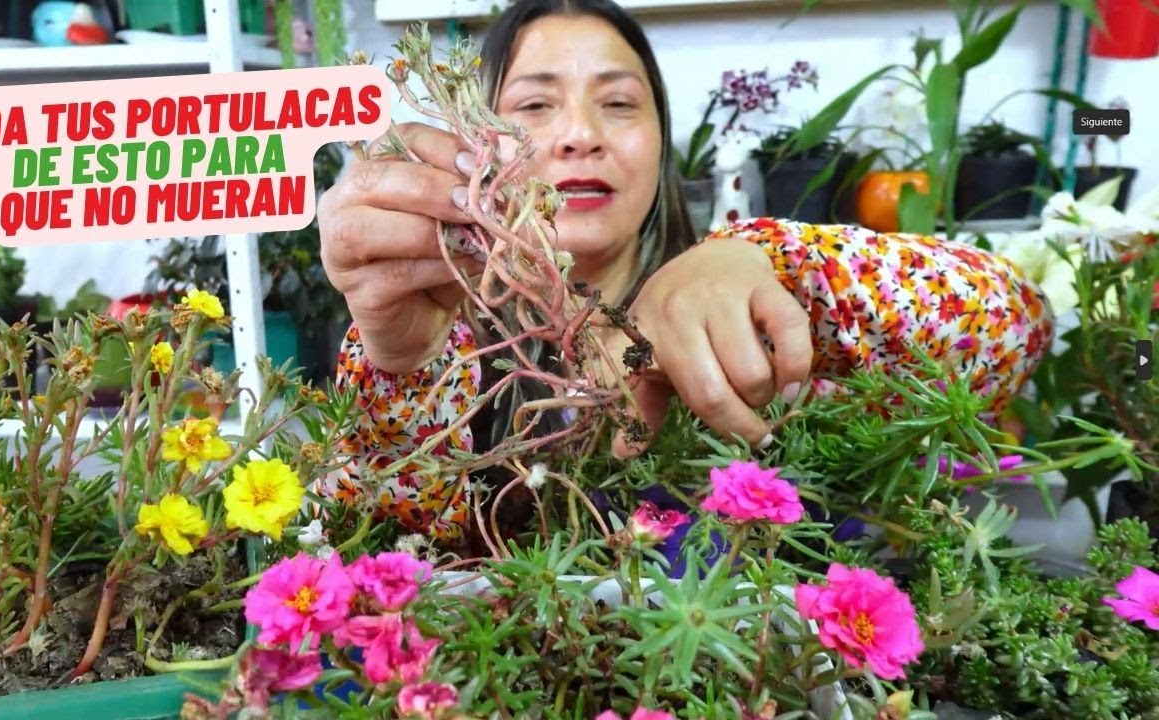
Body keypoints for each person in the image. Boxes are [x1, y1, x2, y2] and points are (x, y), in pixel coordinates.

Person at [315, 0, 1054, 550]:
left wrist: (774, 263)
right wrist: (400, 368)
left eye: (618, 104)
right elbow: (366, 558)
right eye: (534, 105)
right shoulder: (451, 349)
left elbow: (1016, 325)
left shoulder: (756, 319)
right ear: (472, 146)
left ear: (662, 142)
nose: (579, 135)